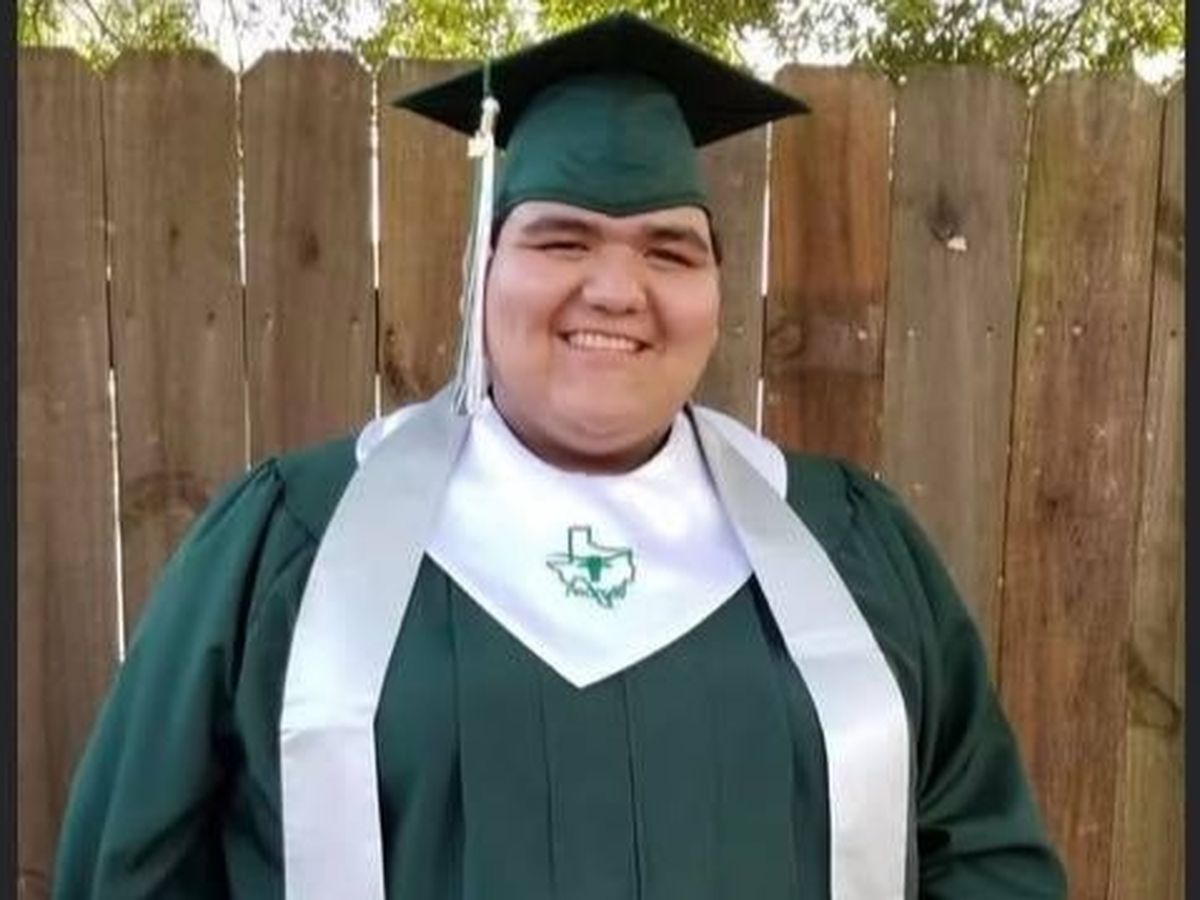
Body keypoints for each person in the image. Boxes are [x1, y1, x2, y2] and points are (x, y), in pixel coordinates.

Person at [52, 12, 1066, 900]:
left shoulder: (851, 550)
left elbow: (982, 859)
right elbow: (130, 871)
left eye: (669, 249)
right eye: (562, 240)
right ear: (483, 269)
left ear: (716, 290)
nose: (618, 290)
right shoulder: (291, 547)